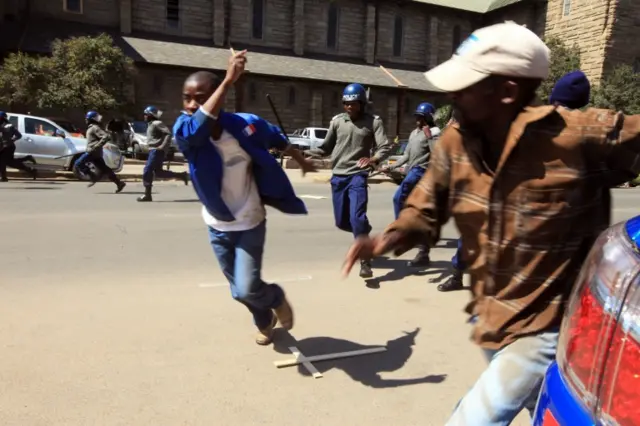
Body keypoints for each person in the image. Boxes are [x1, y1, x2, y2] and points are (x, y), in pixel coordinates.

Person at [342, 21, 640, 425]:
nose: (453, 96)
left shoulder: (581, 137)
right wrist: (386, 240)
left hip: (545, 325)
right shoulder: (456, 142)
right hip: (490, 316)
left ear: (508, 91)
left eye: (466, 87)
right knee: (544, 403)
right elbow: (425, 207)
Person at [173, 51, 317, 345]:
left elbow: (276, 137)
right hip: (218, 225)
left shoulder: (244, 125)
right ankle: (265, 321)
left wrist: (300, 161)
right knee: (239, 289)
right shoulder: (185, 129)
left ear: (217, 98)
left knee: (245, 288)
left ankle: (275, 297)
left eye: (199, 97)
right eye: (186, 98)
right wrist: (227, 81)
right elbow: (196, 128)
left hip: (250, 221)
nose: (190, 105)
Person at [307, 83, 392, 278]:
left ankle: (365, 260)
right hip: (338, 176)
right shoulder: (337, 121)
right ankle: (364, 229)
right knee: (342, 222)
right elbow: (325, 148)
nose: (349, 107)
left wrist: (373, 160)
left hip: (357, 176)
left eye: (353, 103)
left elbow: (384, 147)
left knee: (356, 218)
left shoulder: (373, 122)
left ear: (362, 103)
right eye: (346, 103)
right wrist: (301, 153)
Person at [385, 102, 440, 267]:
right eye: (416, 116)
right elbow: (406, 155)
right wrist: (390, 166)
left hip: (422, 173)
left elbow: (437, 154)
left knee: (397, 198)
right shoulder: (414, 133)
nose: (417, 119)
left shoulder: (435, 132)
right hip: (412, 172)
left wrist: (429, 136)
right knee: (417, 214)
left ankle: (401, 231)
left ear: (428, 117)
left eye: (421, 116)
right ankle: (423, 253)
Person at [137, 106, 189, 202]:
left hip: (156, 151)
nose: (144, 116)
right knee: (159, 172)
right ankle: (181, 175)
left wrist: (162, 146)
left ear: (151, 115)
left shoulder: (157, 123)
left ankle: (147, 195)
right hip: (154, 150)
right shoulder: (151, 124)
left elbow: (168, 134)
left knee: (147, 170)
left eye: (146, 114)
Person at [74, 111, 126, 193]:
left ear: (91, 119)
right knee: (105, 169)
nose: (85, 120)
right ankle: (119, 183)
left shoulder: (95, 128)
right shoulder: (92, 128)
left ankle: (92, 176)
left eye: (87, 119)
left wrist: (96, 146)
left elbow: (106, 137)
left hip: (93, 152)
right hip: (95, 153)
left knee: (78, 163)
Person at [0, 111, 37, 181]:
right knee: (10, 162)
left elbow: (19, 135)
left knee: (4, 161)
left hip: (8, 147)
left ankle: (4, 177)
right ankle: (29, 167)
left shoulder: (7, 126)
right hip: (4, 147)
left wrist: (11, 140)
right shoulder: (6, 125)